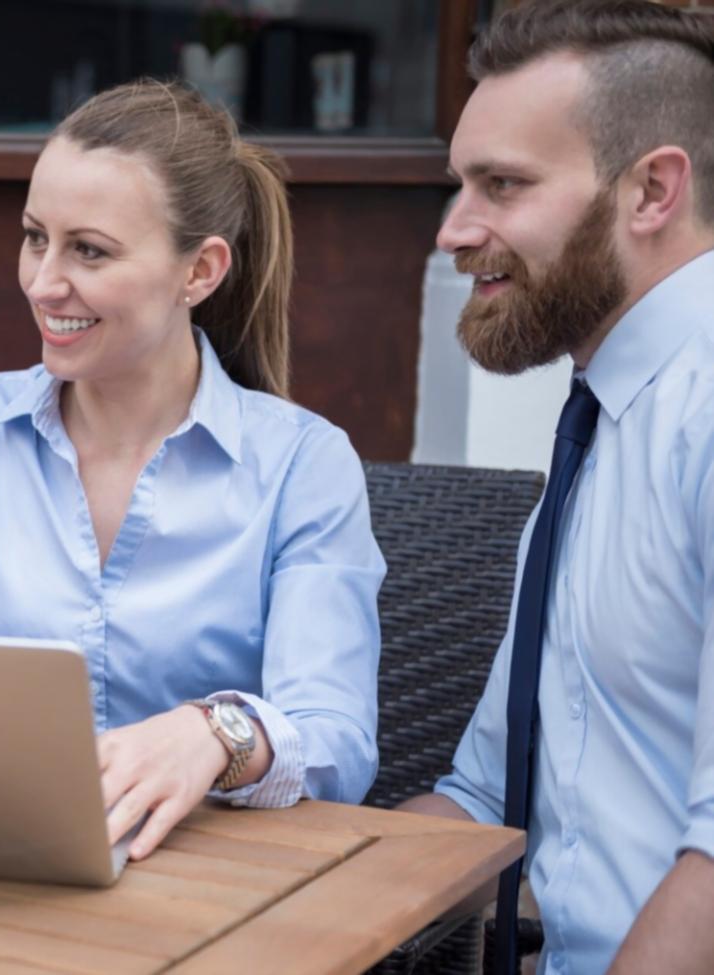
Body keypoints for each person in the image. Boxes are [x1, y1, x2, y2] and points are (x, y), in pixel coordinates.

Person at [0, 80, 384, 861]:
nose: (44, 283)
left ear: (200, 271)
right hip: (9, 860)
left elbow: (337, 743)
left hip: (216, 884)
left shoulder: (302, 464)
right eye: (34, 236)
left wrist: (213, 732)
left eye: (90, 250)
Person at [397, 2, 714, 973]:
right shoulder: (603, 421)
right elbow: (485, 798)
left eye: (502, 185)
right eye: (462, 185)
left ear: (651, 191)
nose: (455, 230)